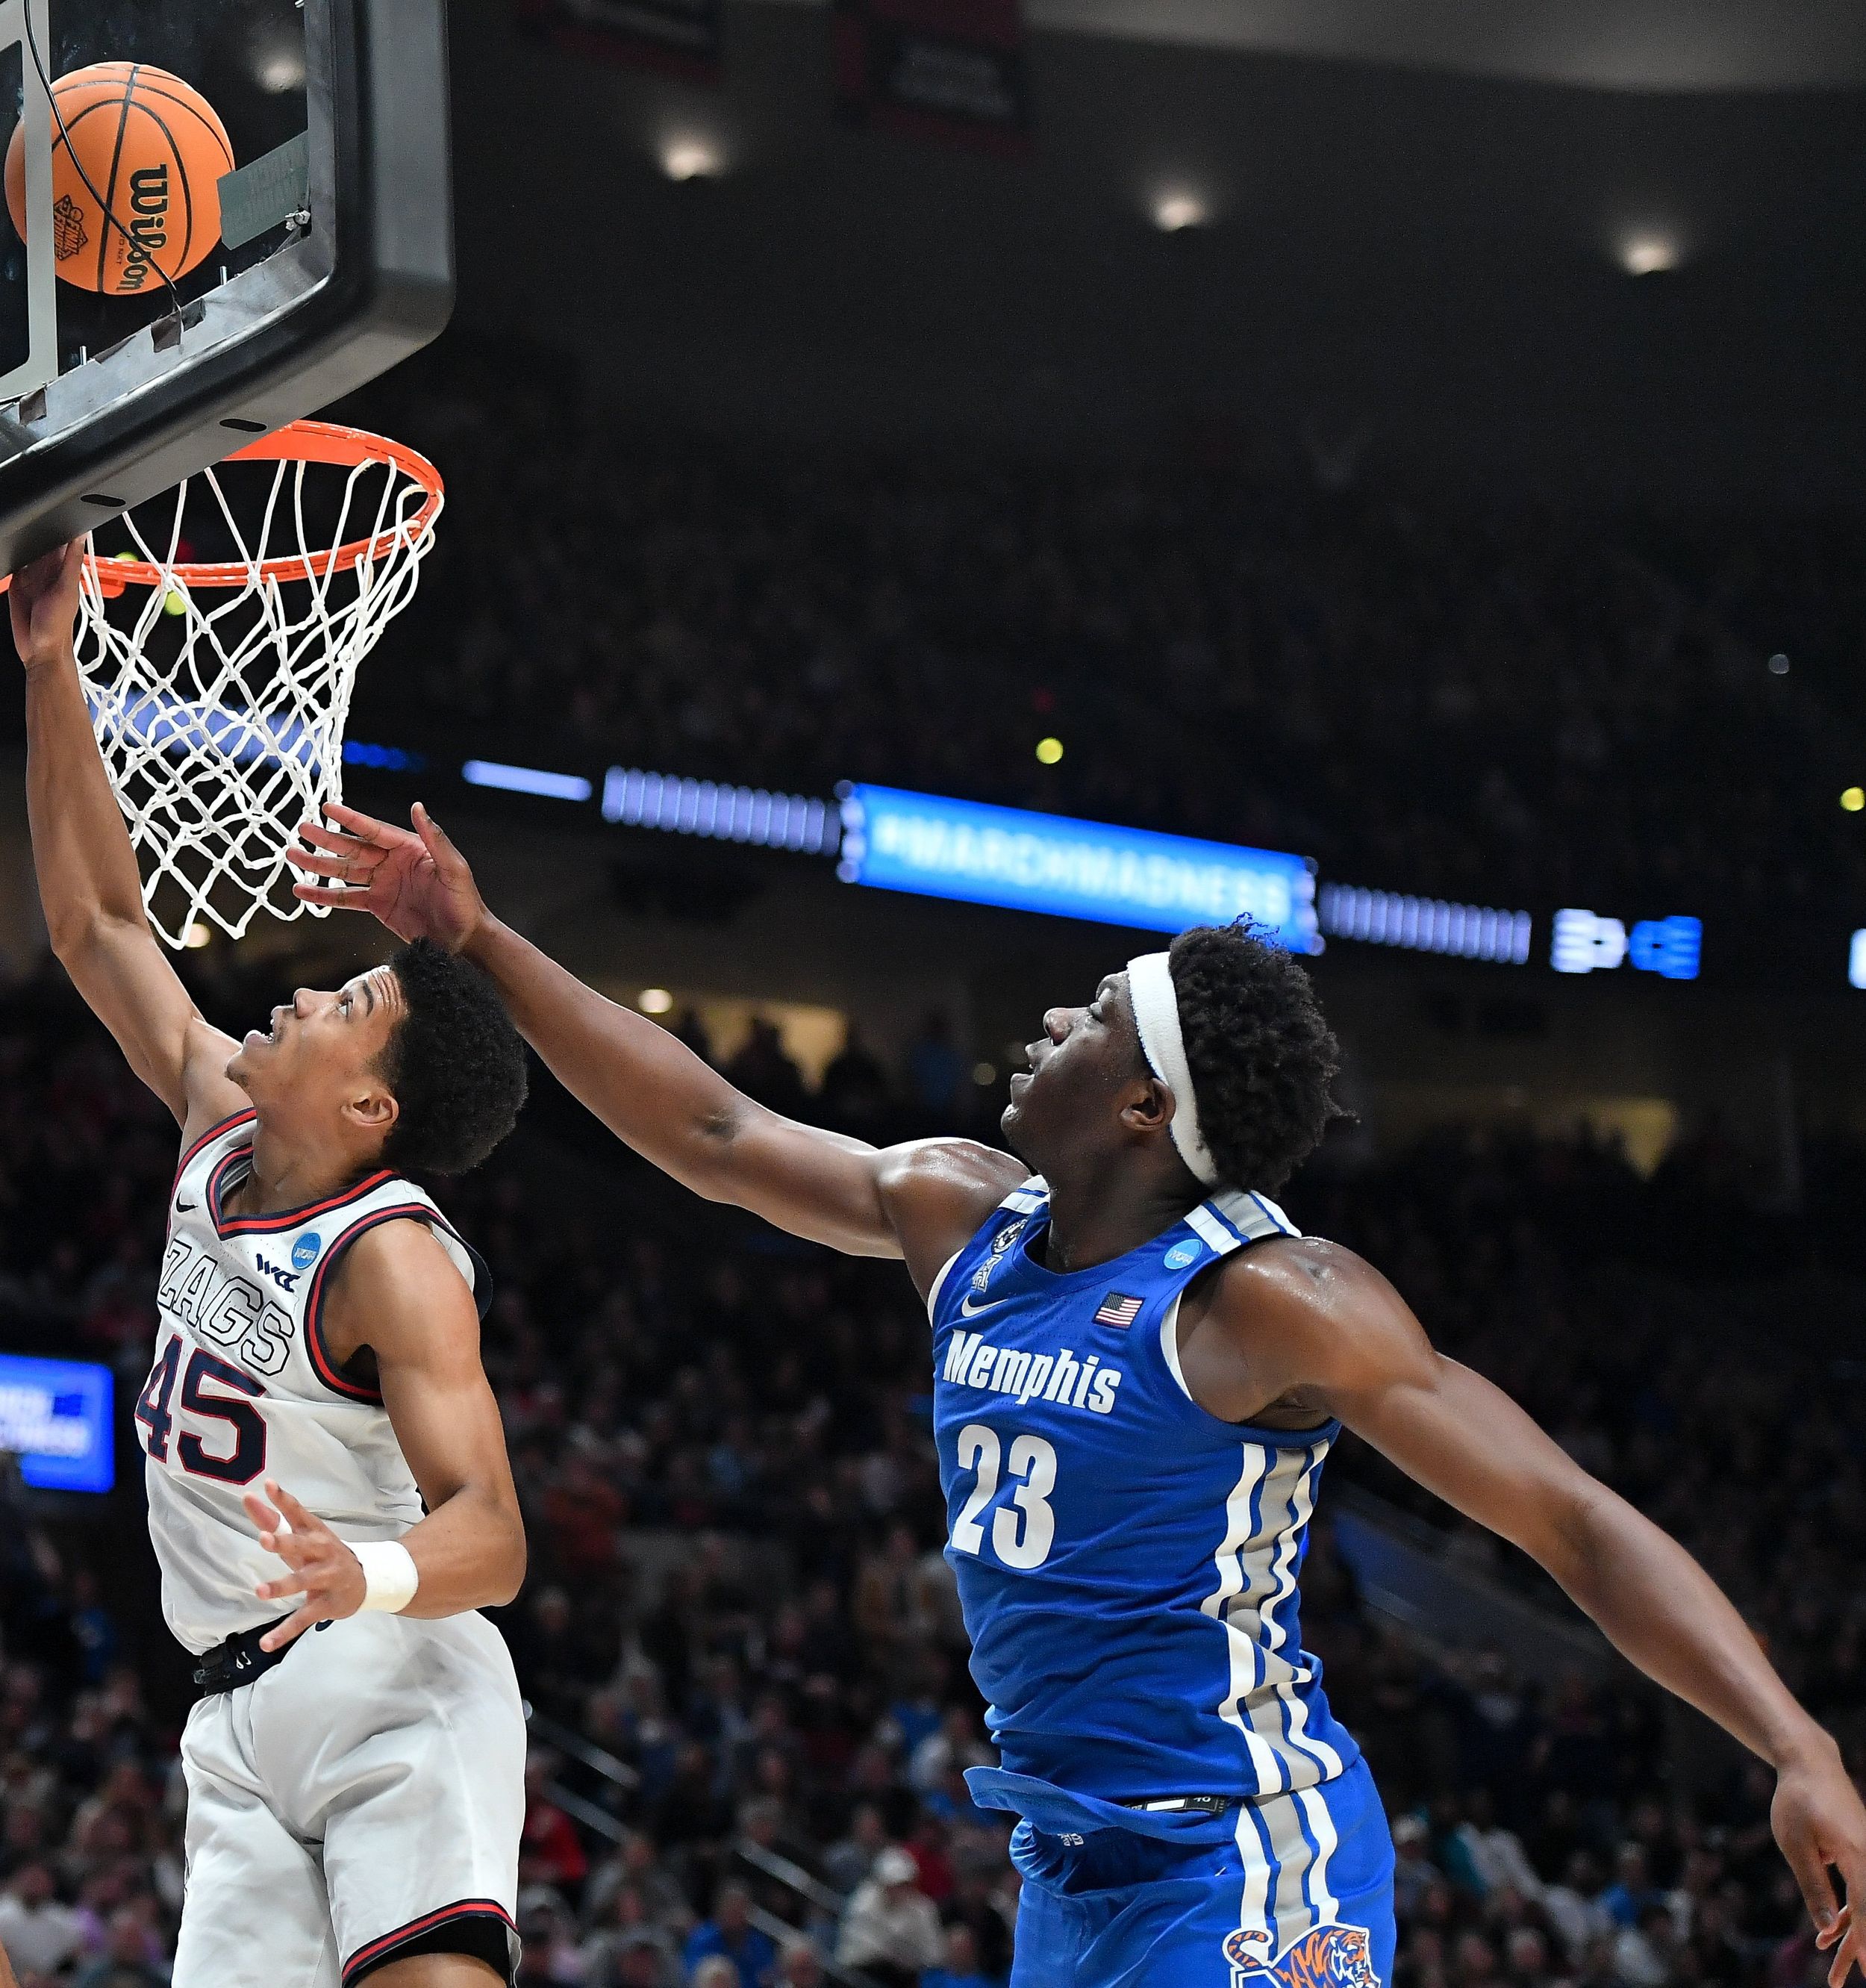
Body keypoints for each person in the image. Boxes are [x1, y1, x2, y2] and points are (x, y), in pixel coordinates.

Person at [292, 798, 1866, 1988]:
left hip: (1241, 1846)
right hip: (1066, 1867)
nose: (1052, 1014)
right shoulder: (958, 1213)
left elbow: (1573, 1524)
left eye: (1096, 1009)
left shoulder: (1269, 1299)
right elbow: (709, 1136)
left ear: (1138, 1100)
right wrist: (475, 935)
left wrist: (1791, 1738)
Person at [10, 542, 532, 1987]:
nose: (300, 986)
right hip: (229, 1704)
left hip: (389, 1679)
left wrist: (358, 1569)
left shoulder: (391, 1259)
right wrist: (53, 669)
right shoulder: (216, 1116)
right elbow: (98, 923)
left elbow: (489, 1532)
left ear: (371, 1108)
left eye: (344, 998)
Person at [834, 1845, 944, 1986]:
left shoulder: (923, 1908)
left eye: (904, 1884)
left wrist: (912, 1959)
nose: (899, 1890)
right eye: (894, 1884)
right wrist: (890, 1955)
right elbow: (853, 1951)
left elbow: (934, 1954)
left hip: (909, 1976)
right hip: (864, 1973)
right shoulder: (862, 1902)